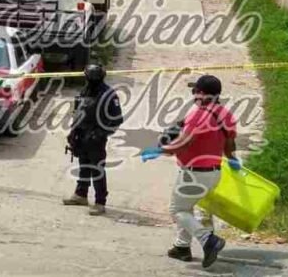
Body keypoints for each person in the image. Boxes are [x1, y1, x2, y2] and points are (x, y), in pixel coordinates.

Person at [141, 75, 239, 268]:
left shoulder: (198, 114)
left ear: (201, 93)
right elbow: (229, 144)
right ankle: (182, 247)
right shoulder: (225, 114)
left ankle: (208, 240)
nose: (193, 95)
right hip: (214, 173)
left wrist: (160, 150)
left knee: (177, 210)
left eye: (195, 91)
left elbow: (184, 143)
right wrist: (233, 159)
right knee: (186, 208)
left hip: (194, 174)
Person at [63, 64, 123, 216]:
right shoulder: (85, 91)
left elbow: (117, 119)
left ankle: (100, 202)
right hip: (82, 135)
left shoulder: (108, 94)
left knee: (97, 169)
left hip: (96, 139)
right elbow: (78, 112)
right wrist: (73, 132)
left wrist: (101, 133)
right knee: (83, 165)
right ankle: (81, 194)